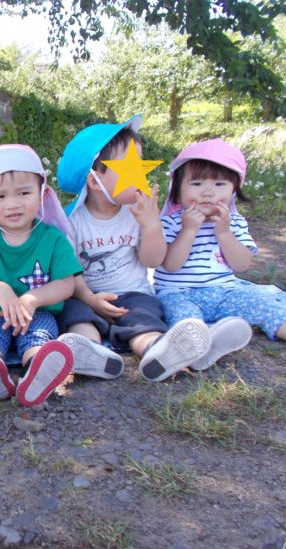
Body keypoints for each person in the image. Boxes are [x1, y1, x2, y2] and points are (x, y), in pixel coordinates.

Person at [55, 116, 211, 382]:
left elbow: (153, 260)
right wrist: (90, 299)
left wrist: (151, 226)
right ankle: (90, 352)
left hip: (132, 293)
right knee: (75, 315)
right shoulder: (70, 221)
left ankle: (156, 350)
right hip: (86, 295)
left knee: (144, 318)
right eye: (130, 167)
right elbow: (69, 272)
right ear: (95, 181)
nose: (140, 174)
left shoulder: (137, 213)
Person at [0, 144, 81, 407]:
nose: (13, 204)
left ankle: (36, 370)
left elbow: (66, 283)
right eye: (0, 197)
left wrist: (32, 299)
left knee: (39, 335)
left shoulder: (52, 238)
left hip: (37, 313)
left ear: (42, 194)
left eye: (24, 193)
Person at [153, 138, 285, 366]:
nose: (207, 192)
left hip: (225, 292)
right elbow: (170, 265)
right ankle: (199, 349)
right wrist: (188, 230)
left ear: (234, 190)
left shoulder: (234, 222)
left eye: (219, 184)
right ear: (177, 190)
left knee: (265, 306)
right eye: (196, 184)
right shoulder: (170, 222)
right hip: (178, 293)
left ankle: (213, 340)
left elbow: (241, 265)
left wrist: (224, 233)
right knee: (184, 321)